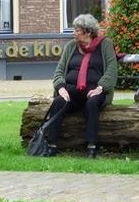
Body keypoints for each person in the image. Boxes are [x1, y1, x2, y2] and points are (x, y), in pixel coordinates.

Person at [42, 14, 118, 159]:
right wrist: (61, 87)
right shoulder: (71, 46)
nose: (73, 33)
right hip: (72, 89)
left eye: (77, 30)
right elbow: (59, 70)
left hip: (95, 89)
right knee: (58, 102)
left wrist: (100, 87)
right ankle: (51, 144)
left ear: (88, 32)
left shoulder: (105, 44)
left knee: (92, 103)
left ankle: (92, 146)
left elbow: (112, 69)